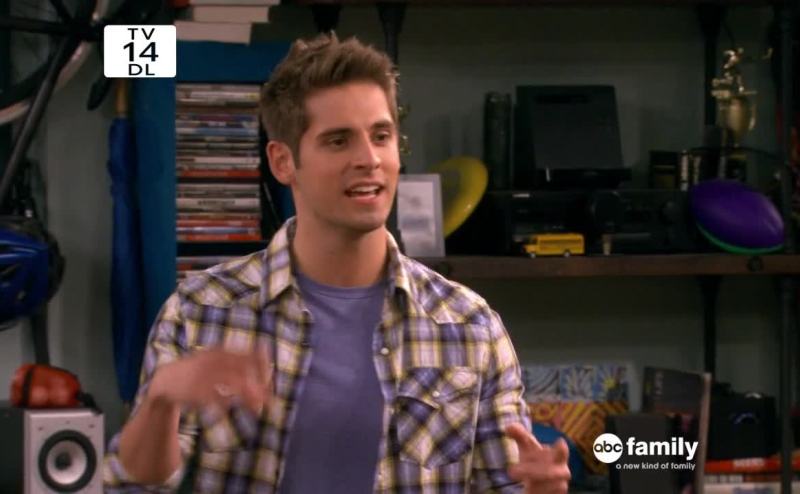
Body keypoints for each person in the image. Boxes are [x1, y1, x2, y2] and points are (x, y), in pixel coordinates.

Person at [103, 33, 570, 493]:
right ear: (283, 162)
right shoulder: (202, 310)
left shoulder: (469, 326)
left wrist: (542, 491)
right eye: (338, 141)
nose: (369, 159)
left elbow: (506, 485)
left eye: (381, 136)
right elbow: (135, 485)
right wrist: (161, 401)